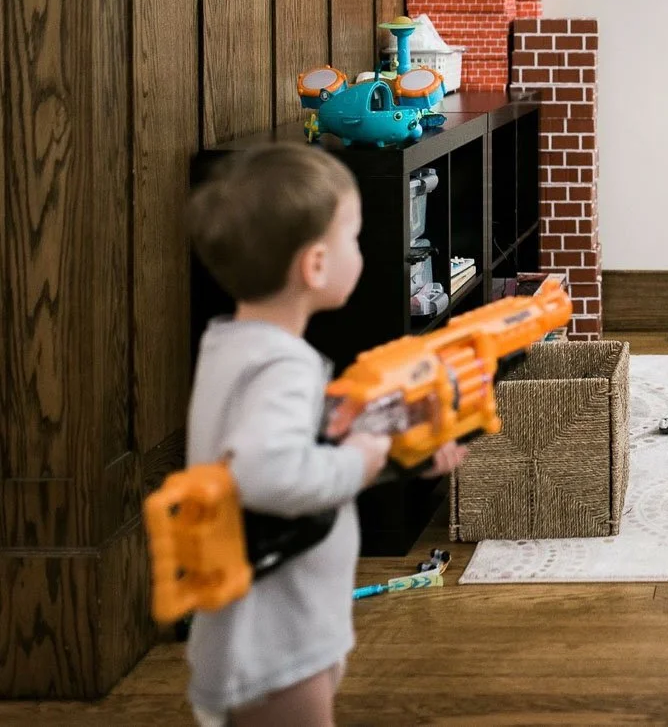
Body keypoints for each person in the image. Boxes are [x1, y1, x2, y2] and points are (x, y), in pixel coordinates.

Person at [182, 143, 468, 727]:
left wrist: (393, 452)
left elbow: (307, 450)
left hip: (264, 625)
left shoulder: (234, 346)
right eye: (354, 237)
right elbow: (267, 474)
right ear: (315, 266)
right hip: (274, 640)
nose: (360, 252)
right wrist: (366, 458)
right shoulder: (282, 368)